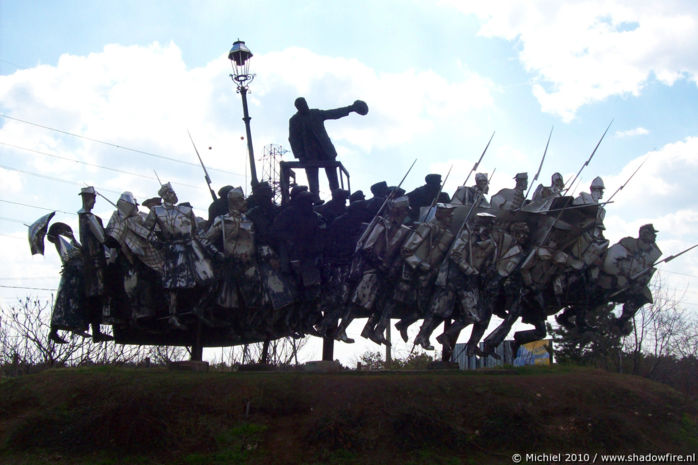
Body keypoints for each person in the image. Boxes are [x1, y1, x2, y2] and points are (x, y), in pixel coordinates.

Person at [144, 182, 216, 330]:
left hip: (191, 248)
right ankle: (173, 316)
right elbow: (146, 231)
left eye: (173, 192)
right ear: (164, 196)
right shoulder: (157, 211)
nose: (173, 195)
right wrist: (159, 243)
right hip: (172, 250)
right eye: (169, 193)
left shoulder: (185, 210)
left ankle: (197, 309)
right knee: (173, 285)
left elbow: (197, 232)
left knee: (206, 278)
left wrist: (212, 250)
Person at [288, 97, 368, 197]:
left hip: (325, 150)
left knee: (333, 177)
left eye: (305, 103)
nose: (305, 106)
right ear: (298, 108)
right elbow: (293, 138)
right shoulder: (294, 120)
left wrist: (350, 108)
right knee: (312, 179)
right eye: (302, 105)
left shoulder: (316, 113)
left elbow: (333, 113)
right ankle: (315, 199)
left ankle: (337, 196)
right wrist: (300, 155)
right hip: (308, 154)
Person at [78, 186, 112, 342]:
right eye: (92, 199)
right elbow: (101, 237)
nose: (93, 203)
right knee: (96, 296)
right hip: (96, 261)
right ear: (87, 198)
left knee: (94, 296)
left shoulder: (82, 217)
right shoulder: (89, 217)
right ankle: (96, 331)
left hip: (89, 261)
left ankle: (96, 330)